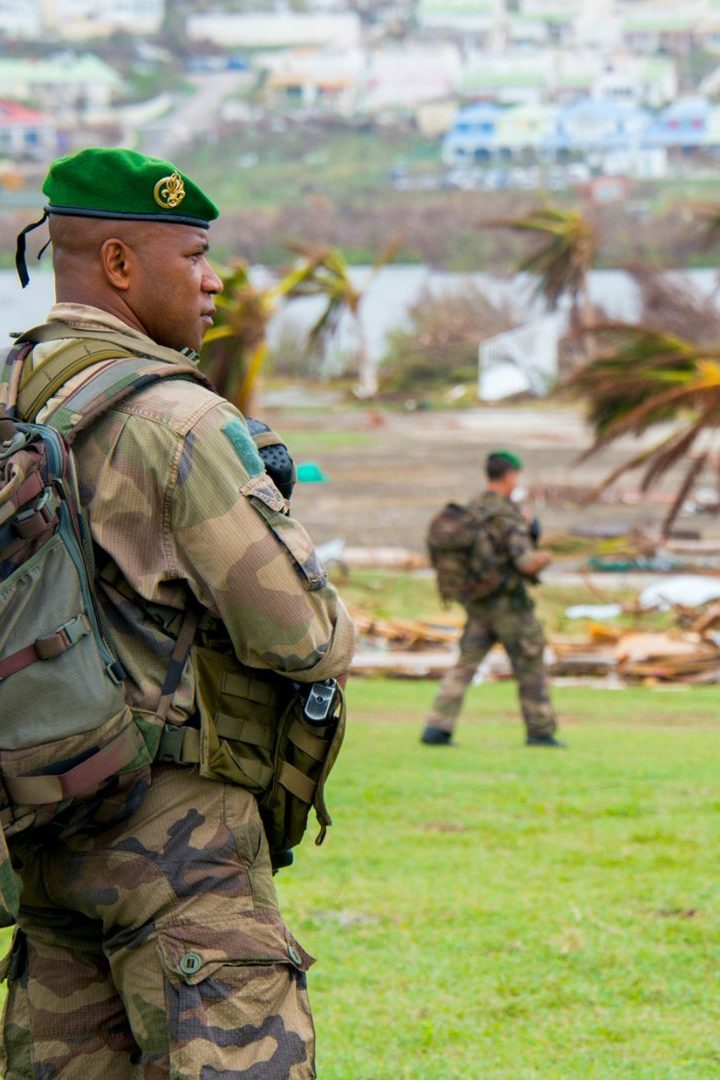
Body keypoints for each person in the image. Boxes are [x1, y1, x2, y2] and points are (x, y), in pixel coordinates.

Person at [0, 147, 355, 1078]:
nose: (214, 281)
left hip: (41, 824)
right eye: (194, 254)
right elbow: (298, 636)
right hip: (177, 842)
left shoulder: (8, 399)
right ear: (120, 264)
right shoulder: (178, 423)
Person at [421, 450, 563, 749]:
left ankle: (437, 727)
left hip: (478, 603)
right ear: (511, 475)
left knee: (464, 666)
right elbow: (525, 562)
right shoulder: (506, 515)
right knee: (530, 665)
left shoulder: (472, 510)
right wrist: (546, 557)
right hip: (509, 606)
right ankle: (540, 730)